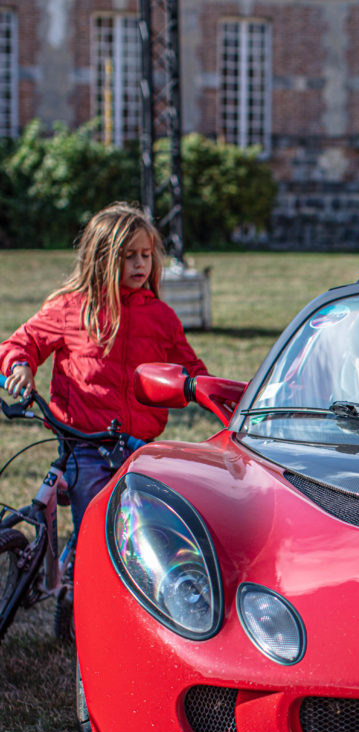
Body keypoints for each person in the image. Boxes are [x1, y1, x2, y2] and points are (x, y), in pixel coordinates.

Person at [0, 202, 207, 547]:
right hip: (85, 444)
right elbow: (24, 342)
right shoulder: (71, 308)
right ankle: (76, 584)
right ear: (103, 260)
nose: (141, 263)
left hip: (139, 447)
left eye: (146, 254)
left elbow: (192, 370)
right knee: (98, 531)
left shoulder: (162, 317)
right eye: (129, 256)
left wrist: (217, 392)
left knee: (144, 531)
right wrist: (19, 365)